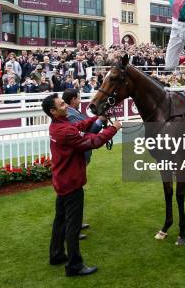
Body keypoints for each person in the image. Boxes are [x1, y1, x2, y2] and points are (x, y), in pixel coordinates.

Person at [42, 93, 121, 277]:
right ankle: (74, 266)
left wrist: (98, 118)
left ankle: (56, 255)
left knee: (60, 221)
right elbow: (92, 141)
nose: (66, 107)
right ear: (53, 111)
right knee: (72, 226)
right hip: (71, 183)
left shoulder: (58, 125)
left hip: (62, 181)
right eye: (62, 105)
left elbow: (79, 125)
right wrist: (113, 129)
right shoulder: (64, 131)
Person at [62, 88, 104, 240]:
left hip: (79, 156)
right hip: (76, 157)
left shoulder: (74, 113)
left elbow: (86, 127)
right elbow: (87, 134)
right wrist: (100, 121)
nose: (80, 101)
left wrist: (98, 120)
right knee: (74, 193)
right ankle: (72, 229)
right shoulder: (70, 115)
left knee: (77, 191)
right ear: (73, 99)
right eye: (79, 98)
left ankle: (76, 223)